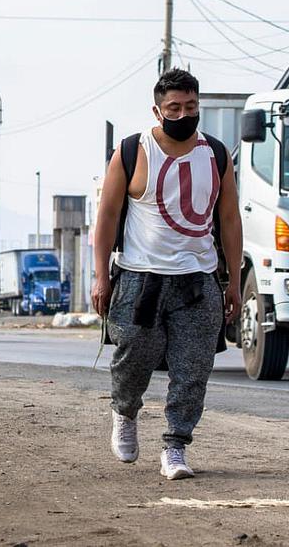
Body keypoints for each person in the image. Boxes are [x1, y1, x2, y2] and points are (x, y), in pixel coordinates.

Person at [91, 68, 242, 481]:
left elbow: (229, 219)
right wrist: (100, 276)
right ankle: (125, 412)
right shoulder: (131, 151)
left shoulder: (216, 154)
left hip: (198, 280)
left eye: (191, 106)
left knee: (193, 370)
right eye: (174, 107)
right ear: (157, 111)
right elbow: (105, 218)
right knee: (132, 358)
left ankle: (175, 446)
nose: (183, 113)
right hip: (141, 280)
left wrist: (234, 282)